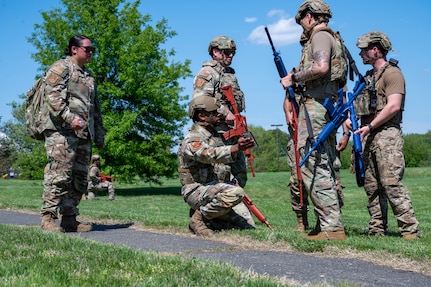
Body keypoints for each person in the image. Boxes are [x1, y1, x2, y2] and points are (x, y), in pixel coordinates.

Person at [280, 0, 347, 240]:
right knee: (323, 162)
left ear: (309, 16)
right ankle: (326, 223)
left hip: (315, 109)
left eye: (302, 22)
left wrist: (294, 78)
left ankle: (331, 227)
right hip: (324, 107)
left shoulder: (320, 36)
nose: (302, 27)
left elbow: (320, 68)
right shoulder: (333, 37)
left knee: (312, 162)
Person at [352, 31, 420, 240]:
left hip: (386, 135)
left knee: (391, 183)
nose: (361, 54)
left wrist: (370, 127)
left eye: (364, 49)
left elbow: (393, 106)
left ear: (375, 50)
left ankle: (409, 230)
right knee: (371, 185)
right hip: (367, 134)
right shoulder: (368, 78)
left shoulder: (392, 74)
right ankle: (377, 229)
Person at [40, 35, 106, 232]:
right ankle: (48, 218)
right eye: (87, 49)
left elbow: (95, 107)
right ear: (74, 49)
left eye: (92, 49)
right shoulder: (60, 68)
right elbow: (53, 99)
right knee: (59, 175)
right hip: (62, 133)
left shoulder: (89, 75)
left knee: (79, 178)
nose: (91, 52)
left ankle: (70, 218)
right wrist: (70, 119)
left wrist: (99, 133)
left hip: (84, 135)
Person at [178, 95, 256, 236]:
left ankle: (213, 218)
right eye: (214, 112)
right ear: (202, 116)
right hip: (196, 190)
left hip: (217, 189)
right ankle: (198, 219)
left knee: (248, 227)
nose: (219, 114)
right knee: (235, 193)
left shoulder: (218, 137)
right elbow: (205, 155)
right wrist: (235, 148)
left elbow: (235, 165)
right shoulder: (192, 139)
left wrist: (239, 141)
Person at [193, 36, 248, 188]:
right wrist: (225, 112)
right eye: (227, 52)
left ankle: (233, 210)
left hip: (233, 133)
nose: (231, 55)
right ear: (215, 52)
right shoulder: (207, 73)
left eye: (233, 53)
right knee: (220, 177)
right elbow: (201, 100)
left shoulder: (228, 75)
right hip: (216, 134)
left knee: (239, 176)